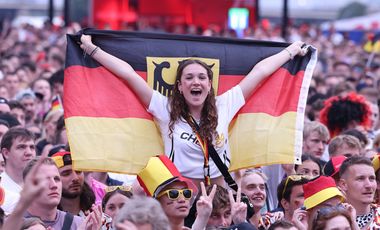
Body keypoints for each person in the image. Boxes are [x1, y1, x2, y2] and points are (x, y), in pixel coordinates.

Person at [80, 35, 308, 186]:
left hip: (218, 194)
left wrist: (291, 51)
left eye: (201, 77)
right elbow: (128, 74)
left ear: (209, 85)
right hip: (180, 195)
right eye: (188, 78)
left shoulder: (224, 104)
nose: (195, 82)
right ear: (179, 86)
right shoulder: (164, 108)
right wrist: (92, 50)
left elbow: (260, 72)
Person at [338, 156, 380, 229]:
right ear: (343, 185)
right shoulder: (330, 219)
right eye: (360, 178)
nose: (369, 185)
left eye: (372, 178)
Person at [50, 151, 96, 216]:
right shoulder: (44, 220)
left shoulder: (99, 218)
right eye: (66, 173)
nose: (75, 178)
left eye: (78, 171)